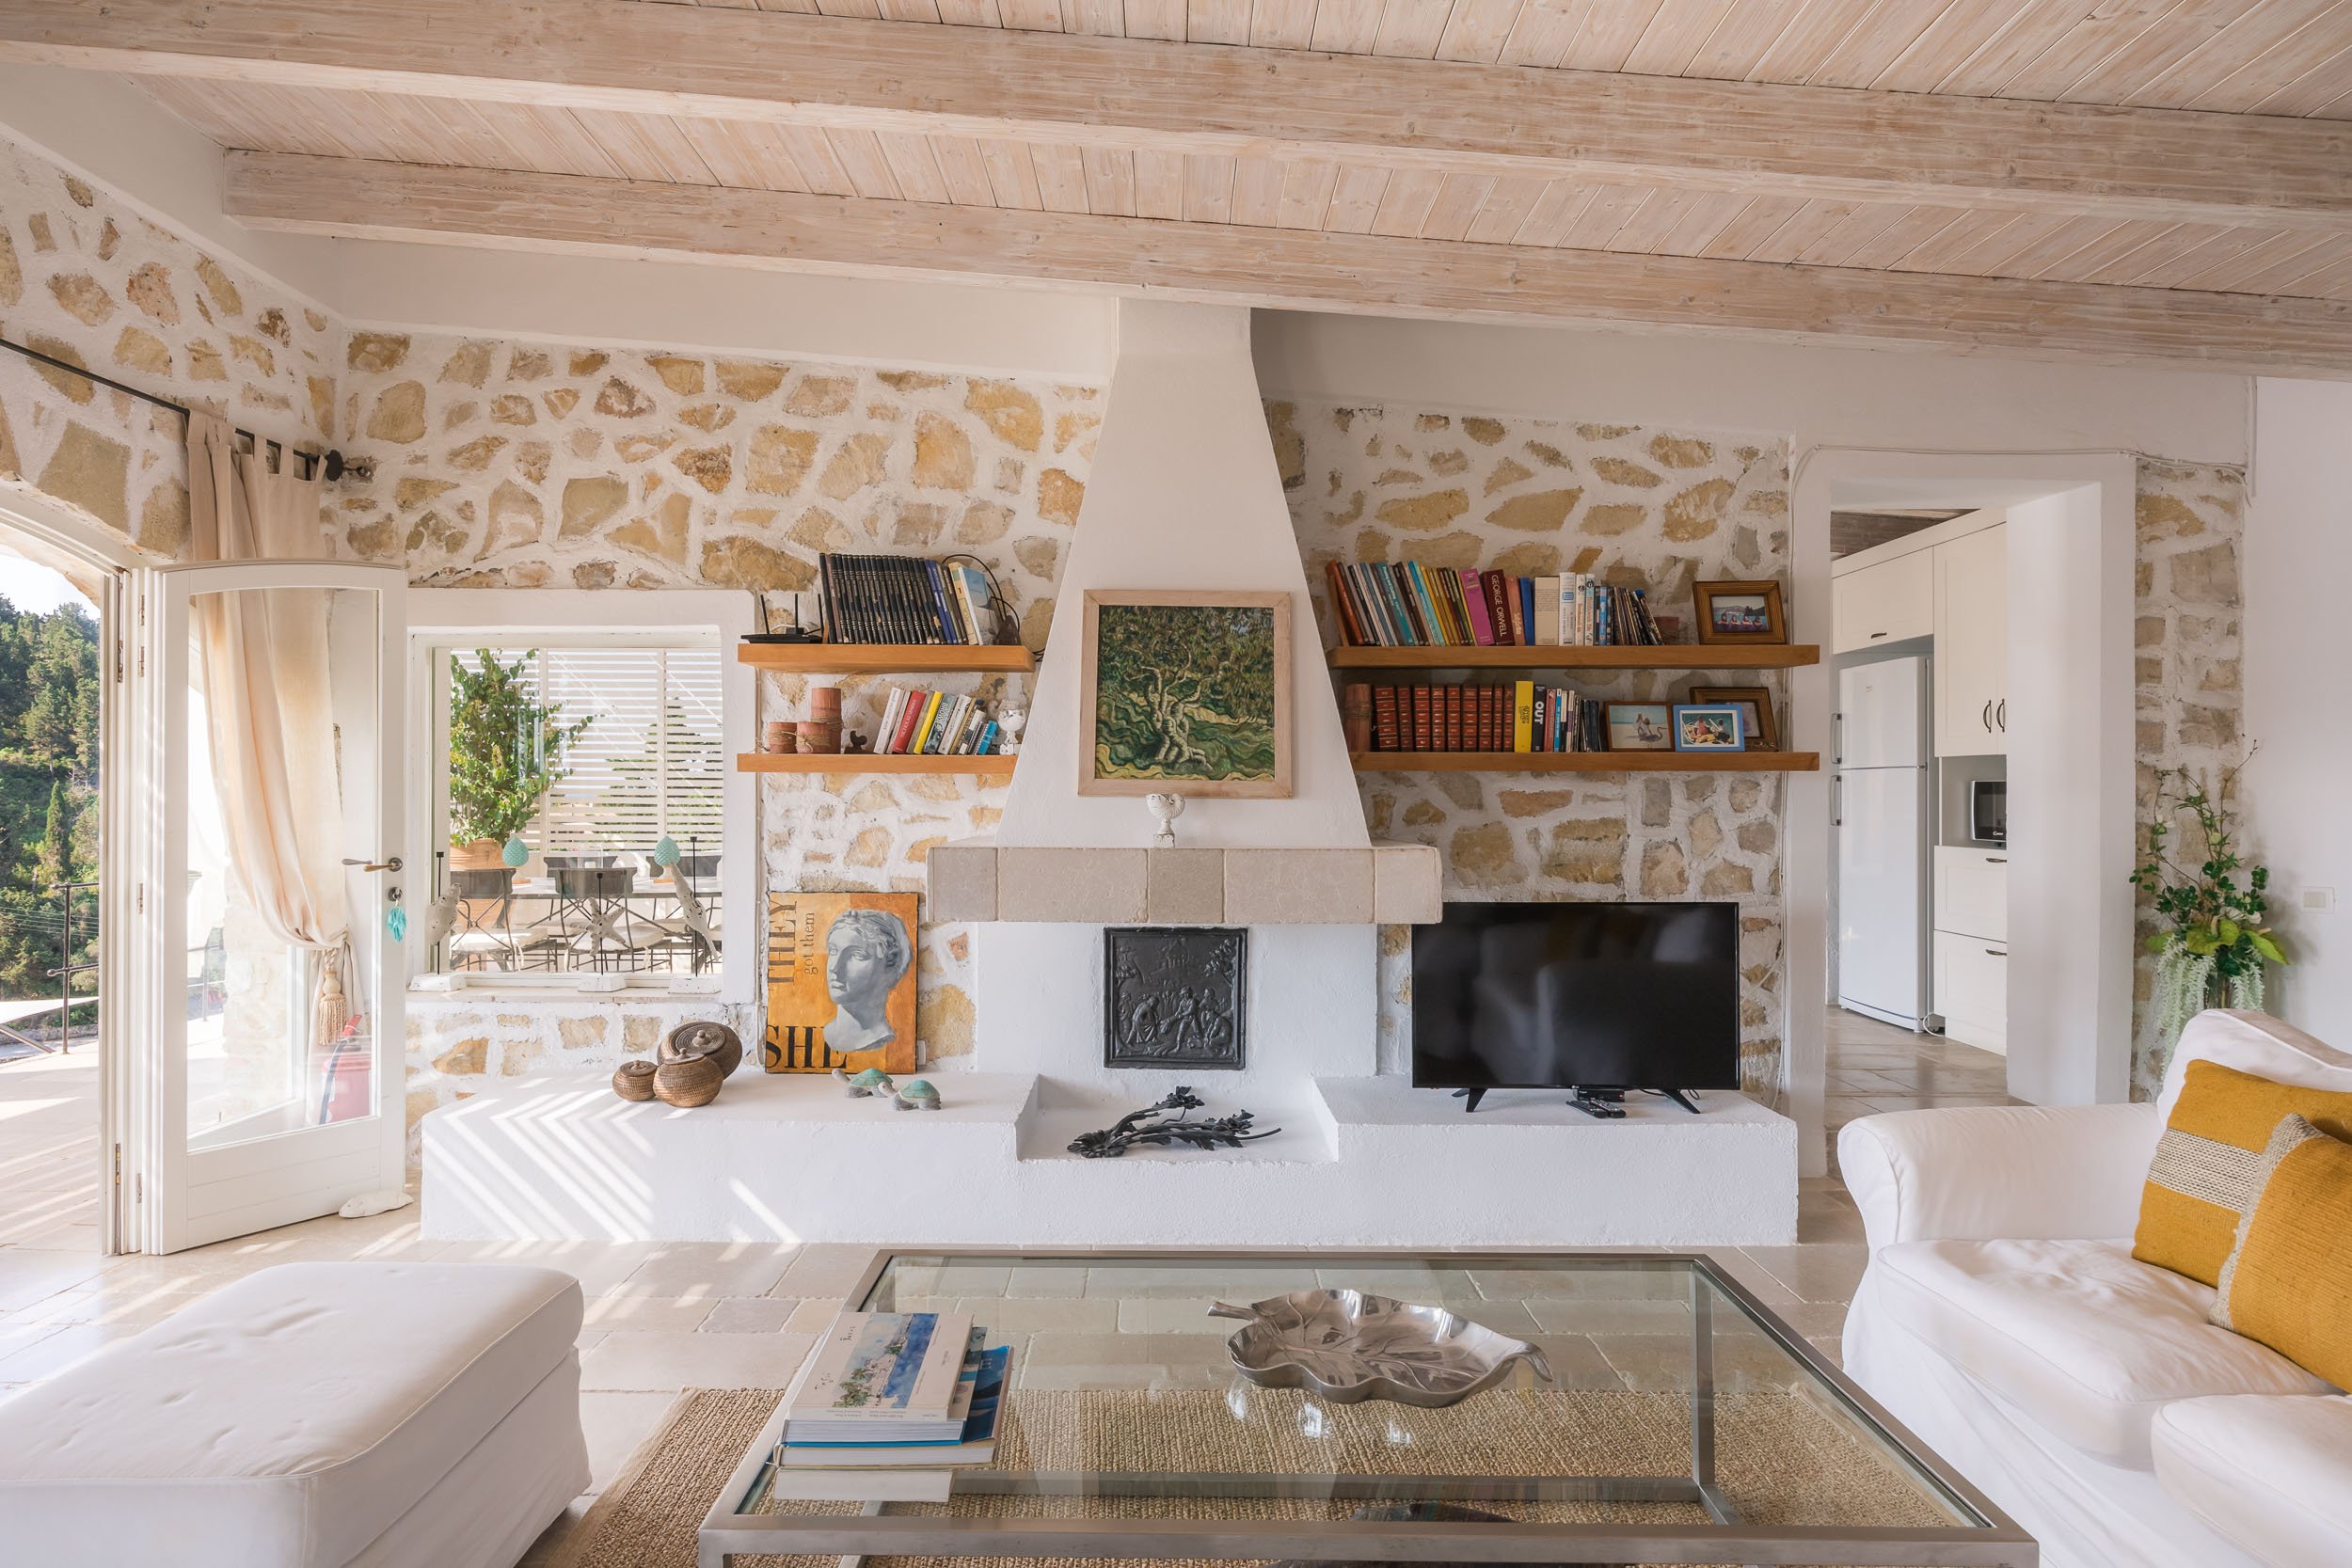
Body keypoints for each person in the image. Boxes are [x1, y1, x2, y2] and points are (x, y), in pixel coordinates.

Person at [823, 906, 912, 1056]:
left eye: (856, 955)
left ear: (890, 963)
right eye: (833, 950)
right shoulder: (825, 1032)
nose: (835, 968)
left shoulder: (882, 1041)